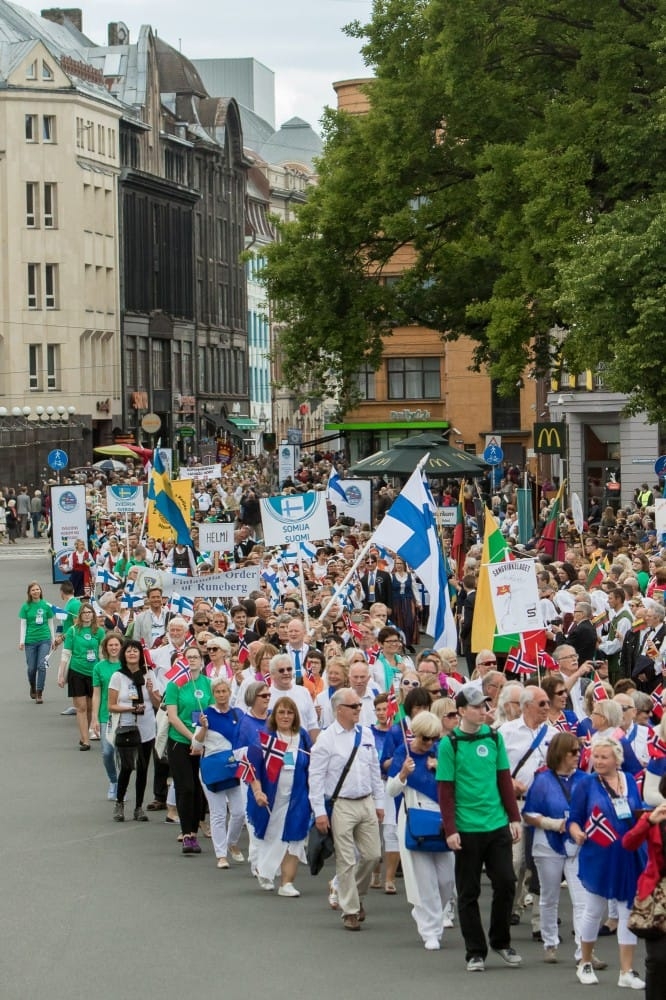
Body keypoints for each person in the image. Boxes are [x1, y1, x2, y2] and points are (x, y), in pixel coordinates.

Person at [437, 683, 522, 972]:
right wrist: (450, 829)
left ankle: (500, 941)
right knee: (469, 891)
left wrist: (514, 818)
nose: (483, 710)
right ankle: (475, 951)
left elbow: (503, 780)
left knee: (506, 883)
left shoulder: (494, 738)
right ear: (461, 711)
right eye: (476, 706)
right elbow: (445, 790)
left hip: (496, 823)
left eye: (485, 705)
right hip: (467, 826)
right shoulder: (451, 743)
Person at [568, 736, 647, 988]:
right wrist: (576, 832)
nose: (598, 761)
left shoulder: (630, 782)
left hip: (628, 854)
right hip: (598, 855)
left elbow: (636, 812)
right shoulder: (585, 784)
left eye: (604, 757)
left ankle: (627, 971)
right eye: (596, 757)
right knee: (594, 909)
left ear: (616, 759)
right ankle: (585, 962)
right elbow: (574, 818)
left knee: (627, 911)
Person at [309, 687, 384, 931]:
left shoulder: (366, 734)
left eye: (360, 706)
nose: (359, 710)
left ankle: (351, 892)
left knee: (373, 855)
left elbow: (374, 770)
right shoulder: (327, 738)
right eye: (354, 706)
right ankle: (350, 910)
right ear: (339, 709)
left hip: (365, 801)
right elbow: (316, 776)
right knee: (346, 859)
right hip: (341, 803)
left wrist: (379, 803)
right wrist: (319, 811)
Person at [523, 731, 596, 966]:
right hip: (547, 845)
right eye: (573, 751)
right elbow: (530, 813)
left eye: (580, 751)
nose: (578, 755)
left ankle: (582, 951)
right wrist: (555, 824)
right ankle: (550, 942)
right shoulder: (542, 780)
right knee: (549, 896)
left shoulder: (585, 779)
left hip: (577, 844)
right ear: (559, 753)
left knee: (582, 899)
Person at [387, 711, 456, 950]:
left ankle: (430, 914)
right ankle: (431, 931)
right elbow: (391, 790)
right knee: (425, 880)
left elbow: (458, 779)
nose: (429, 743)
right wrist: (403, 774)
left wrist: (440, 766)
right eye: (425, 738)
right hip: (416, 820)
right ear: (416, 733)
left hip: (443, 820)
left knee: (447, 879)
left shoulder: (440, 751)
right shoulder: (403, 753)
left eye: (433, 738)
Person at [246, 696, 312, 896]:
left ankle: (286, 883)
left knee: (295, 838)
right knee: (271, 837)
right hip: (272, 798)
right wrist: (258, 791)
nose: (285, 716)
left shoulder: (303, 736)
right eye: (281, 712)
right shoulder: (265, 737)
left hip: (298, 798)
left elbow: (313, 764)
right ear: (274, 715)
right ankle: (263, 869)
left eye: (289, 712)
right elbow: (253, 768)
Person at [164, 646, 214, 855]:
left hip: (202, 742)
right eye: (188, 657)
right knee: (185, 787)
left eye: (196, 657)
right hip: (180, 741)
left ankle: (194, 829)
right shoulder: (175, 684)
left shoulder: (208, 683)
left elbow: (211, 712)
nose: (192, 660)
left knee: (199, 789)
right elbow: (173, 716)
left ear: (202, 661)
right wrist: (190, 738)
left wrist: (200, 737)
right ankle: (186, 835)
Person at [192, 677, 245, 869]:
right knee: (218, 813)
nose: (222, 695)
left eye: (224, 691)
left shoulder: (238, 714)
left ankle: (232, 842)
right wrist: (204, 728)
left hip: (235, 768)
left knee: (239, 812)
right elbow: (196, 745)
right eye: (218, 692)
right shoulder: (205, 714)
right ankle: (221, 855)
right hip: (213, 769)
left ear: (230, 692)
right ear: (213, 694)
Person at [622, 773, 666, 1000]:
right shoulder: (654, 817)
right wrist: (648, 822)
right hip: (658, 897)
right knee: (658, 959)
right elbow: (629, 843)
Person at [108, 640, 158, 823]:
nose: (132, 654)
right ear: (124, 654)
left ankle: (138, 807)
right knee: (128, 767)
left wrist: (152, 693)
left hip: (146, 727)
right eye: (128, 651)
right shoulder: (118, 676)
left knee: (143, 768)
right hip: (127, 726)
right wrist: (130, 709)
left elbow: (159, 704)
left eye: (135, 651)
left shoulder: (149, 674)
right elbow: (111, 705)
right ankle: (120, 802)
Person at [57, 603, 105, 750]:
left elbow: (102, 654)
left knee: (91, 706)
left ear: (93, 614)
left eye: (89, 612)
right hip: (77, 671)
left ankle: (89, 730)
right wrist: (61, 674)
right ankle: (85, 739)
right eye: (84, 612)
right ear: (80, 615)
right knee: (81, 707)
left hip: (94, 672)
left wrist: (104, 672)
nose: (87, 614)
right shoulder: (73, 631)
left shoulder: (99, 632)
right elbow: (66, 653)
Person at [91, 631, 123, 800]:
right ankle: (113, 780)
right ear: (105, 648)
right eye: (110, 645)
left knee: (121, 752)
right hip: (106, 715)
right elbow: (96, 694)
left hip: (124, 715)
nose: (113, 648)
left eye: (116, 645)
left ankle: (121, 788)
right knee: (107, 751)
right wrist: (94, 718)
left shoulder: (126, 666)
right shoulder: (99, 667)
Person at [18, 581, 55, 703]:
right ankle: (33, 686)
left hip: (44, 639)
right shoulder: (26, 607)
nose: (35, 592)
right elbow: (23, 624)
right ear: (29, 593)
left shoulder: (46, 605)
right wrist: (22, 641)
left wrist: (53, 639)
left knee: (41, 666)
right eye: (33, 590)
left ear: (41, 591)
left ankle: (39, 692)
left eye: (37, 589)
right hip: (30, 641)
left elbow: (50, 622)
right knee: (31, 668)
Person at [390, 556, 420, 651]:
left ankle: (408, 642)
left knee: (409, 623)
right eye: (397, 564)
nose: (398, 566)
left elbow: (415, 589)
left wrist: (419, 602)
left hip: (408, 601)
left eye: (400, 563)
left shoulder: (410, 576)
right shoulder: (392, 576)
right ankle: (401, 643)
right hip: (396, 601)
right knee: (399, 623)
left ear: (404, 565)